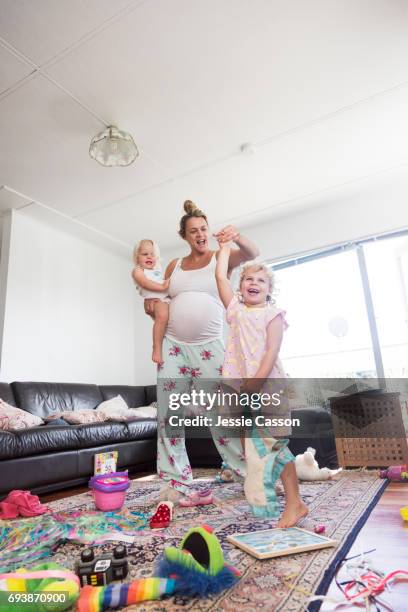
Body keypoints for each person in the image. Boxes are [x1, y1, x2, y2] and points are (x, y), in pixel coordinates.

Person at [144, 200, 259, 505]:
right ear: (184, 235)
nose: (200, 234)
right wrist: (151, 308)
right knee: (169, 414)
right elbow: (161, 304)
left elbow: (251, 254)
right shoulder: (174, 266)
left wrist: (237, 236)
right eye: (193, 230)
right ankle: (174, 480)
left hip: (210, 347)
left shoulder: (219, 259)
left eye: (204, 229)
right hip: (173, 347)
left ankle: (244, 471)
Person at [215, 242, 308, 527]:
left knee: (275, 445)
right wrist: (223, 248)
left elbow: (271, 351)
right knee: (257, 450)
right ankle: (285, 502)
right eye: (248, 279)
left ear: (269, 290)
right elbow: (219, 277)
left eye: (261, 280)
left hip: (267, 388)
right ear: (241, 286)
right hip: (243, 392)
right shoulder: (235, 310)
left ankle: (294, 503)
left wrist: (255, 382)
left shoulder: (273, 314)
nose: (254, 283)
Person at [132, 239, 170, 364]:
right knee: (162, 317)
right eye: (145, 254)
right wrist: (163, 287)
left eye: (152, 254)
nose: (149, 256)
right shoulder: (138, 271)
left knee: (167, 323)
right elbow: (145, 283)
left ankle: (164, 345)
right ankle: (156, 348)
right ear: (137, 258)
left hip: (164, 300)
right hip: (155, 300)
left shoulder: (157, 272)